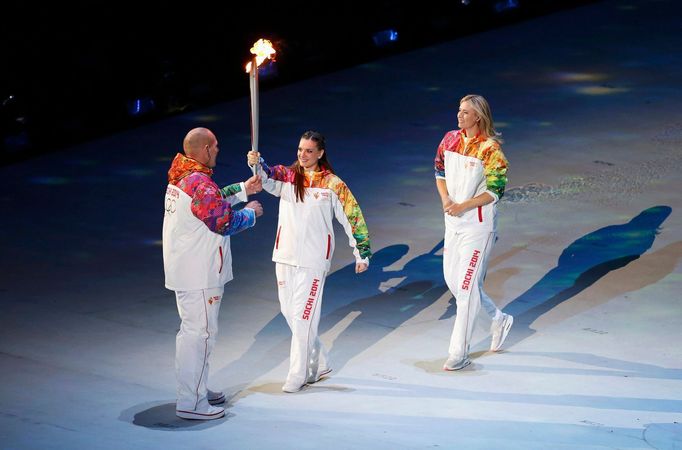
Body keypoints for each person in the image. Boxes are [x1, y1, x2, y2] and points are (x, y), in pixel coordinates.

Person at [247, 130, 371, 393]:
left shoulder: (333, 184)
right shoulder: (289, 177)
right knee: (288, 310)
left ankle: (298, 373)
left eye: (309, 151)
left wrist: (361, 252)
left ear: (321, 153)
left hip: (314, 260)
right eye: (300, 150)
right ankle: (321, 361)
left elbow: (353, 217)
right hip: (285, 254)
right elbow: (267, 176)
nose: (303, 155)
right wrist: (256, 162)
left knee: (303, 317)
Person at [163, 127, 263, 420]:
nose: (218, 150)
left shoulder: (184, 176)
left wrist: (244, 188)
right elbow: (222, 221)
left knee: (197, 333)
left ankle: (196, 389)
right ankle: (191, 402)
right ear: (205, 149)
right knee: (199, 334)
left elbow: (212, 200)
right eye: (216, 146)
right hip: (199, 273)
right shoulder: (199, 184)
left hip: (188, 270)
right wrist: (251, 213)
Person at [434, 94, 513, 371]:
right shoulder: (449, 139)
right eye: (459, 110)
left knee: (466, 289)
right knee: (454, 284)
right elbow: (439, 172)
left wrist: (464, 205)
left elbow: (496, 191)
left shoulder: (491, 150)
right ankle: (498, 319)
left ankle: (459, 352)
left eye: (465, 112)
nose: (459, 116)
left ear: (477, 117)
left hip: (478, 227)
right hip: (453, 223)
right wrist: (446, 201)